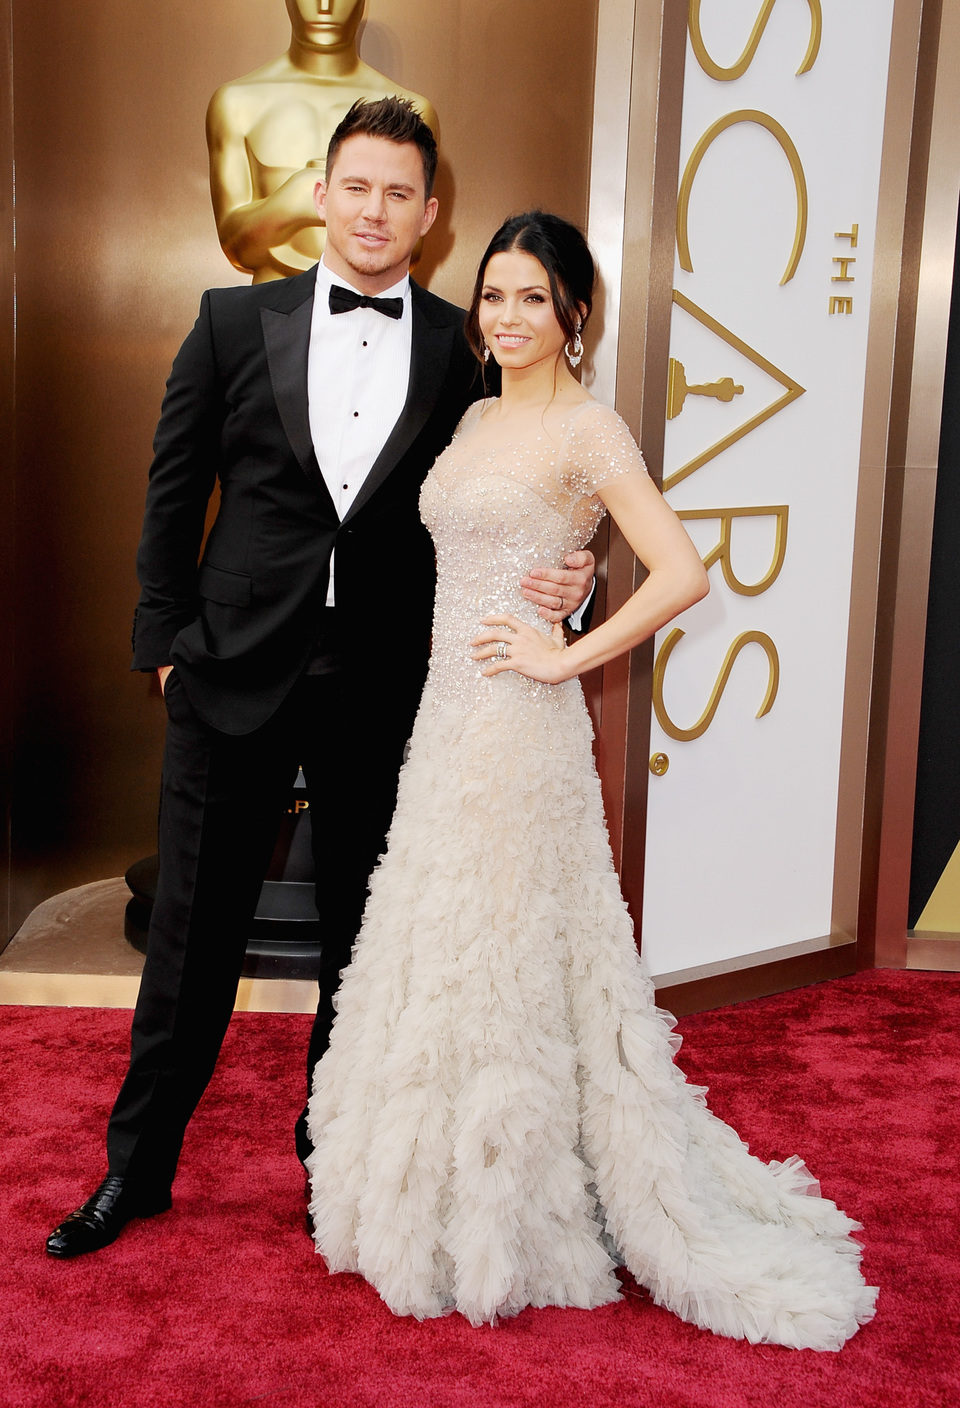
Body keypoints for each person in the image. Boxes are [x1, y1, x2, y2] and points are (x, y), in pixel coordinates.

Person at [304, 212, 878, 1349]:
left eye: (533, 298)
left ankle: (517, 1210)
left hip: (521, 726)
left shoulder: (592, 426)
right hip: (445, 718)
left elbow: (684, 569)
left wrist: (563, 648)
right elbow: (496, 552)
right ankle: (441, 1190)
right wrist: (569, 577)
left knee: (512, 946)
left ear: (576, 312)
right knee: (450, 941)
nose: (508, 318)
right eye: (494, 295)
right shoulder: (472, 414)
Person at [45, 101, 594, 1260]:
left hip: (385, 684)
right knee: (191, 942)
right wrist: (162, 640)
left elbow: (506, 488)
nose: (376, 211)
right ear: (321, 191)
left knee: (362, 941)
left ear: (431, 214)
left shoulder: (461, 343)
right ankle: (133, 1172)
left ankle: (332, 1168)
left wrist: (573, 572)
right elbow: (172, 483)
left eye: (401, 193)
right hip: (229, 670)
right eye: (358, 186)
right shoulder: (231, 321)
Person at [207, 0, 438, 282]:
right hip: (269, 315)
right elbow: (236, 245)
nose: (324, 5)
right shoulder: (236, 103)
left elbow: (411, 244)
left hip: (374, 310)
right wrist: (295, 198)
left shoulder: (415, 112)